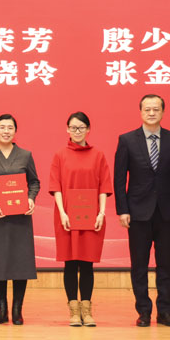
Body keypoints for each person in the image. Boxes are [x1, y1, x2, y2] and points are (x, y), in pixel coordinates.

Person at [114, 94, 170, 328]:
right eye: (147, 109)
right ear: (141, 112)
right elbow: (119, 179)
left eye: (156, 109)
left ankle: (165, 312)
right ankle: (144, 311)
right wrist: (123, 210)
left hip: (167, 212)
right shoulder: (127, 140)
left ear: (163, 112)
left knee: (165, 264)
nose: (152, 113)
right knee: (139, 265)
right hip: (137, 213)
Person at [0, 114, 40, 325]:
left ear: (15, 131)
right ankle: (1, 309)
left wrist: (31, 199)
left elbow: (34, 182)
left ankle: (17, 310)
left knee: (20, 261)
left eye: (10, 127)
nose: (6, 131)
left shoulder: (25, 155)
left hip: (20, 217)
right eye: (2, 127)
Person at [48, 111, 111, 327]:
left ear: (88, 129)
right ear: (67, 129)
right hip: (66, 217)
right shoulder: (60, 155)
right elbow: (56, 186)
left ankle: (87, 310)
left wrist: (102, 213)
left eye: (81, 127)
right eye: (73, 127)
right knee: (70, 263)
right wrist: (62, 212)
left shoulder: (98, 155)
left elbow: (104, 186)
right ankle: (74, 311)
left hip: (91, 217)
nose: (77, 131)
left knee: (86, 264)